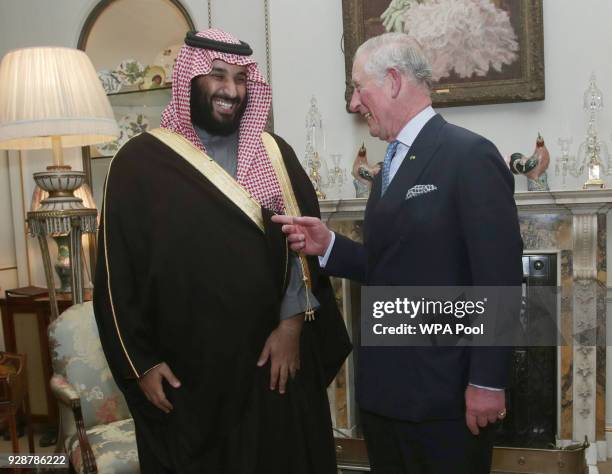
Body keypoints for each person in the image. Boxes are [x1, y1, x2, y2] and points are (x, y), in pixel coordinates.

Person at [93, 28, 350, 474]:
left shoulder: (273, 153)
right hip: (189, 374)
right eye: (217, 76)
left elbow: (300, 250)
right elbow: (118, 279)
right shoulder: (137, 164)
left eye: (241, 78)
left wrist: (291, 328)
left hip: (273, 362)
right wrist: (142, 363)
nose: (231, 90)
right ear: (189, 79)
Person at [273, 32, 523, 474]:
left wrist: (487, 381)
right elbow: (392, 265)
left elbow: (499, 279)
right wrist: (328, 245)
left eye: (357, 88)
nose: (352, 103)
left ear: (391, 81)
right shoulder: (391, 162)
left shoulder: (469, 156)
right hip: (389, 397)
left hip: (446, 399)